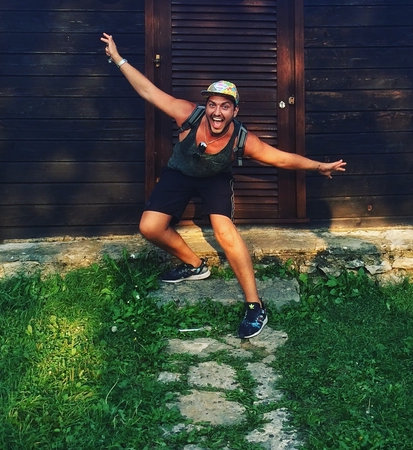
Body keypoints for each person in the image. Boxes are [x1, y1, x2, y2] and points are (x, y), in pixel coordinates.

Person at [101, 33, 347, 339]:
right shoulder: (188, 114)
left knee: (224, 231)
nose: (218, 112)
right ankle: (194, 265)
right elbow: (149, 92)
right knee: (150, 227)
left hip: (214, 178)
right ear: (207, 105)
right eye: (213, 104)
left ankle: (255, 306)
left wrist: (318, 166)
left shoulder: (243, 140)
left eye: (225, 107)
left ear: (235, 111)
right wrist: (118, 57)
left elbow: (281, 159)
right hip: (180, 172)